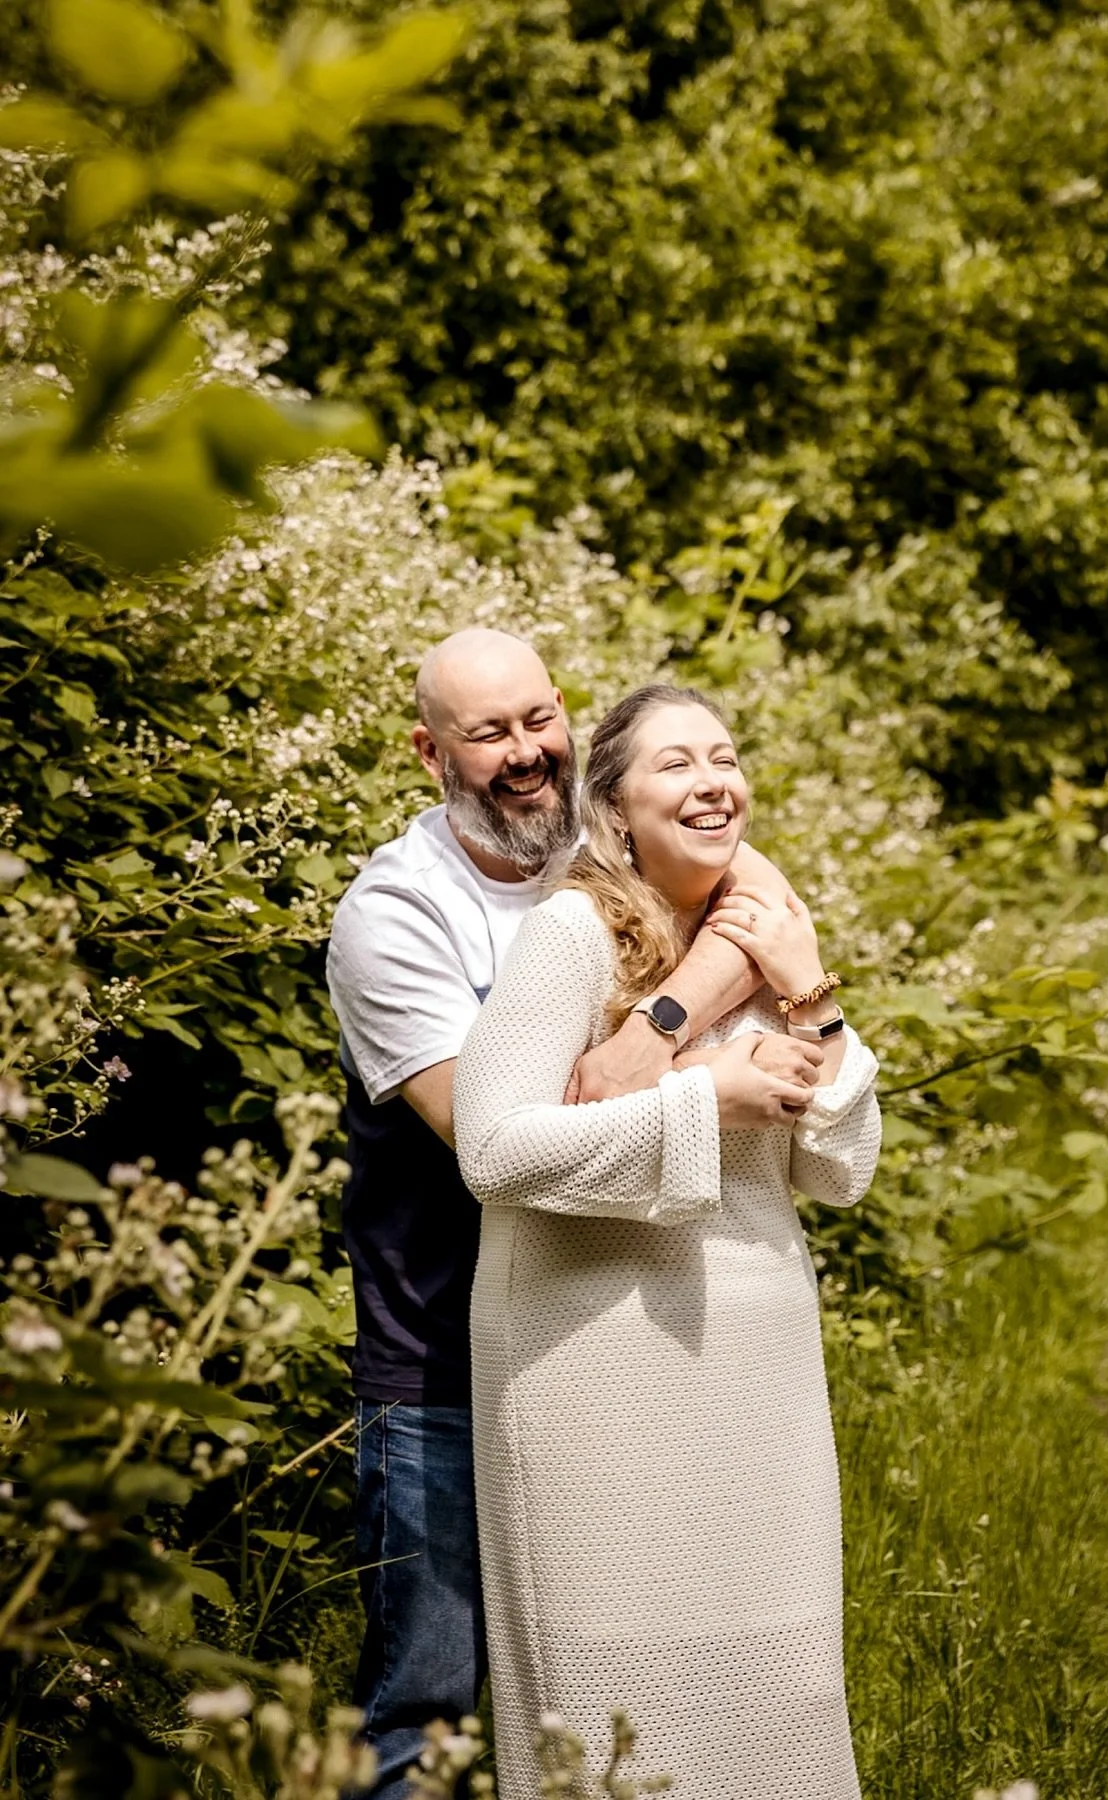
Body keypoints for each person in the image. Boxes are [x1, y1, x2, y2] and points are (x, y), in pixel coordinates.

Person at [325, 630, 816, 1797]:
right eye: (488, 733)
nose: (524, 752)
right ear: (429, 752)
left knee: (614, 1694)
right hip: (442, 1347)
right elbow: (502, 1132)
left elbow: (764, 905)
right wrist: (702, 1028)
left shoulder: (613, 857)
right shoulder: (397, 916)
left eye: (540, 720)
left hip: (618, 1348)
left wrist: (677, 1006)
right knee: (428, 1707)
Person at [453, 683, 882, 1799]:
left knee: (781, 1675)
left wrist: (810, 994)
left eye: (726, 757)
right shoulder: (571, 936)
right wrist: (705, 1104)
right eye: (676, 764)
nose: (712, 781)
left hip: (759, 1364)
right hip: (593, 1369)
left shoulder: (764, 935)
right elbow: (494, 1149)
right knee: (614, 1693)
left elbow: (842, 1168)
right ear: (617, 810)